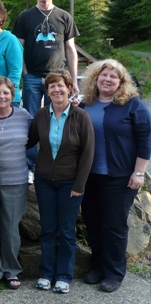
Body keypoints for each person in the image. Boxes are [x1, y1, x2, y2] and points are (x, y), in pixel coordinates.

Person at [79, 59, 151, 293]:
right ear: (95, 78)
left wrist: (139, 172)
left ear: (121, 82)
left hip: (119, 177)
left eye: (113, 76)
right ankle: (98, 266)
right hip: (90, 176)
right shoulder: (85, 103)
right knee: (93, 222)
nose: (107, 79)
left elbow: (145, 140)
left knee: (114, 225)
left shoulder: (132, 105)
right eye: (103, 75)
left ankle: (114, 272)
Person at [28, 69, 95, 294]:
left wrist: (79, 186)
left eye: (61, 85)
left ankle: (64, 275)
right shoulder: (41, 115)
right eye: (52, 86)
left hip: (70, 183)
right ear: (47, 91)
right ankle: (46, 273)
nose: (57, 89)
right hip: (44, 180)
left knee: (66, 231)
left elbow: (88, 154)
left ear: (69, 89)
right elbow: (26, 141)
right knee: (47, 229)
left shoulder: (81, 116)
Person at [0, 77, 32, 291]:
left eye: (6, 93)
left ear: (13, 95)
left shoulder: (24, 116)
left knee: (10, 228)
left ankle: (11, 271)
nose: (2, 97)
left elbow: (35, 142)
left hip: (16, 181)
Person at [12, 0, 80, 116]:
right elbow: (18, 49)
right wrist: (25, 74)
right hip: (32, 78)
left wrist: (73, 80)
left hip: (58, 78)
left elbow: (70, 50)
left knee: (57, 117)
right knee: (30, 119)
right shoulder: (25, 17)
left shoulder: (64, 17)